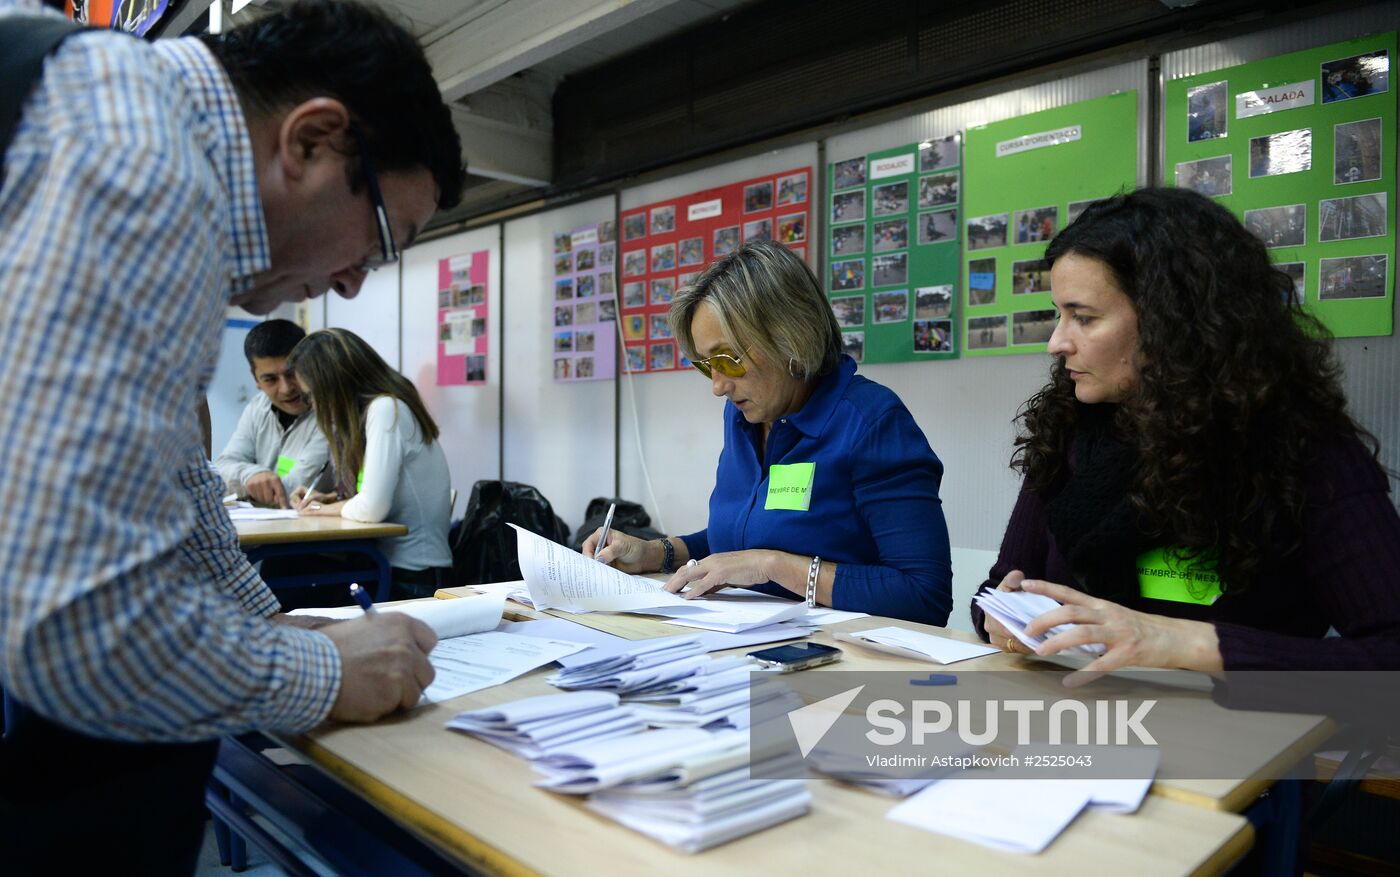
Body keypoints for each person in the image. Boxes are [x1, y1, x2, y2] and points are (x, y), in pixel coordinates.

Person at [0, 1, 464, 871]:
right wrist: (321, 675)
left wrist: (283, 627)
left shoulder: (115, 114)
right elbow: (76, 630)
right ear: (313, 140)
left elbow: (174, 480)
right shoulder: (144, 166)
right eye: (377, 243)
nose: (352, 286)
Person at [972, 187, 1400, 675]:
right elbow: (999, 587)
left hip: (1233, 737)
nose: (1056, 342)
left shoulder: (1301, 451)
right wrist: (1001, 619)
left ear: (1171, 322)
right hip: (1076, 722)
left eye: (1084, 318)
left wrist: (1189, 644)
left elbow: (1390, 652)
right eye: (1058, 314)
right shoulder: (1070, 426)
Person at [585, 240, 953, 625]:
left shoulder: (872, 422)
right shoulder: (744, 416)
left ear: (790, 334)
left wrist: (774, 566)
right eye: (705, 364)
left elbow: (924, 594)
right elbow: (737, 542)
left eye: (728, 359)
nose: (718, 386)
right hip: (741, 642)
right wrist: (654, 552)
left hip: (840, 660)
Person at [288, 328, 453, 600]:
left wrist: (321, 509)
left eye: (312, 394)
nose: (313, 405)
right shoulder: (383, 408)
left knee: (292, 582)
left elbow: (371, 508)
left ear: (334, 385)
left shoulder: (386, 409)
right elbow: (379, 497)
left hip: (414, 576)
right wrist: (329, 500)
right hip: (391, 566)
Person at [216, 319, 335, 507]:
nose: (286, 389)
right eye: (270, 379)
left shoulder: (332, 413)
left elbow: (295, 491)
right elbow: (222, 466)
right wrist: (252, 475)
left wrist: (244, 482)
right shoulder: (257, 407)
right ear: (255, 378)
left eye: (292, 373)